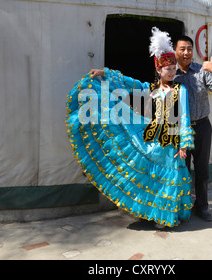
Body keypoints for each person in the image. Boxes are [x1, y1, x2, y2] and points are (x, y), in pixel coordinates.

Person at [66, 27, 195, 228]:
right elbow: (129, 83)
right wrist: (104, 73)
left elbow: (184, 117)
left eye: (173, 68)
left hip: (171, 139)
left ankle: (166, 216)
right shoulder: (151, 89)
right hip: (154, 137)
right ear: (159, 70)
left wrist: (184, 144)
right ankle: (150, 213)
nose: (171, 71)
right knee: (152, 177)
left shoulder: (181, 89)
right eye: (167, 68)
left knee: (170, 177)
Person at [173, 35, 212, 222]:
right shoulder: (171, 74)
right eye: (182, 49)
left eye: (189, 49)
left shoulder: (202, 71)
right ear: (175, 52)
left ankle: (202, 206)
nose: (186, 53)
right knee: (183, 170)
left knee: (202, 170)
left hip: (202, 126)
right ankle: (184, 207)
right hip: (180, 131)